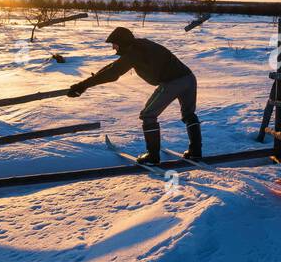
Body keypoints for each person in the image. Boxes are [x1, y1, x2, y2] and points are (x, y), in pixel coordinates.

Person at [67, 27, 201, 164]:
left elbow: (113, 72)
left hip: (172, 83)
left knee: (148, 115)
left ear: (122, 42)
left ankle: (153, 156)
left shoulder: (134, 53)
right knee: (189, 115)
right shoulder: (141, 45)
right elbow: (113, 67)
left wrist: (83, 85)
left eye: (115, 44)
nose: (113, 48)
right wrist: (86, 83)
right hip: (189, 78)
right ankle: (196, 152)